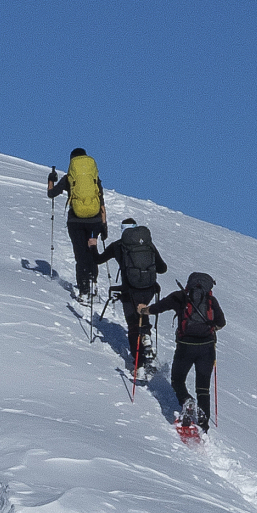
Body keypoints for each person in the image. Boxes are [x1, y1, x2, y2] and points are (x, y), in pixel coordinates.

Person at [153, 271, 226, 430]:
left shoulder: (181, 297)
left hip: (185, 347)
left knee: (177, 380)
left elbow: (160, 307)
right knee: (203, 388)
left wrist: (144, 310)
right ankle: (203, 426)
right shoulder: (211, 301)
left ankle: (186, 401)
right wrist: (211, 329)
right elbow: (221, 322)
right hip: (207, 348)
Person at [97, 217, 168, 369]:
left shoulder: (117, 246)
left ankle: (139, 363)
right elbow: (163, 269)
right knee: (143, 314)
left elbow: (97, 259)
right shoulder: (148, 245)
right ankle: (147, 338)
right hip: (149, 289)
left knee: (133, 324)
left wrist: (91, 246)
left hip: (129, 291)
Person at [46, 149, 107, 296]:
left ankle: (83, 287)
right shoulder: (94, 178)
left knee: (80, 253)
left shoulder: (69, 178)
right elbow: (102, 204)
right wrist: (104, 225)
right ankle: (93, 280)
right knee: (91, 250)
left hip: (76, 222)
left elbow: (51, 194)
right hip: (95, 221)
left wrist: (50, 180)